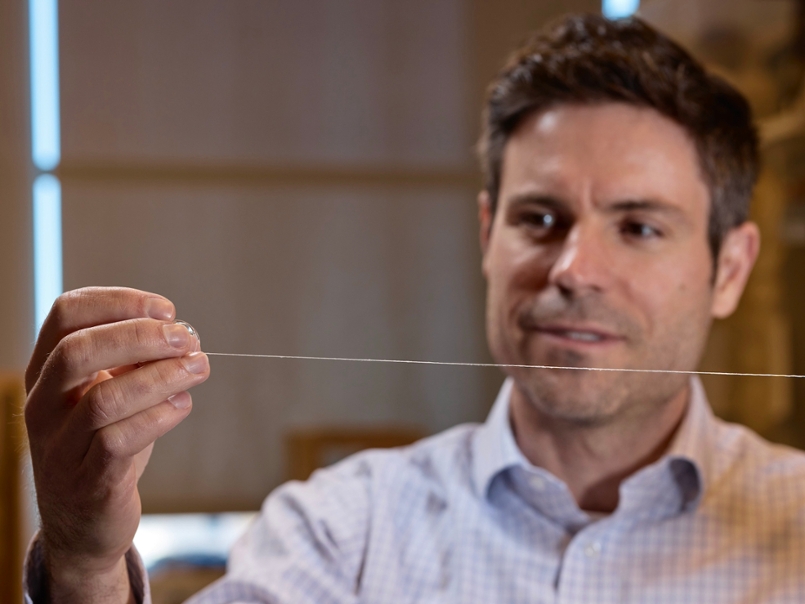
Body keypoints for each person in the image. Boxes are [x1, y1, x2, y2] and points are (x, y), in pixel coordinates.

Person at [23, 13, 805, 604]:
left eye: (637, 227)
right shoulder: (340, 530)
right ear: (485, 235)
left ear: (730, 269)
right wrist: (86, 561)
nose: (573, 269)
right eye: (538, 219)